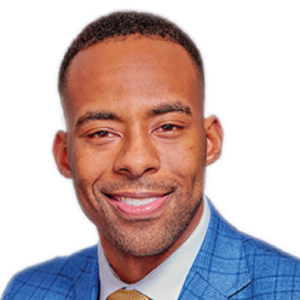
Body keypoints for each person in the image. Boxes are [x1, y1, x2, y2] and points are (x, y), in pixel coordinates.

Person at [2, 11, 300, 300]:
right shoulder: (26, 291)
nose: (136, 161)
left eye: (167, 127)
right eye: (102, 133)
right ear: (64, 156)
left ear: (210, 141)